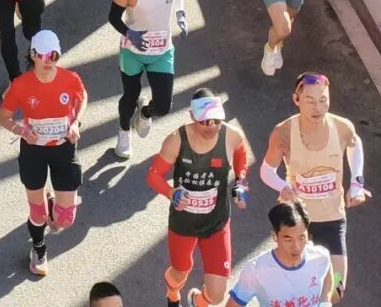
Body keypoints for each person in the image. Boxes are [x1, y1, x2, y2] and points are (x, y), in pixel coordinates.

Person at [259, 71, 368, 302]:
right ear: (296, 99)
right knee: (296, 290)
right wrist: (282, 186)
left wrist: (356, 182)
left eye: (323, 100)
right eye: (310, 101)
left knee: (336, 289)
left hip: (332, 219)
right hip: (296, 222)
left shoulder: (342, 127)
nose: (318, 107)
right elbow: (266, 171)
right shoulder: (283, 132)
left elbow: (355, 144)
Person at [147, 89, 251, 307]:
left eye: (217, 120)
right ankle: (173, 292)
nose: (212, 126)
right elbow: (154, 175)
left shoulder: (231, 136)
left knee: (217, 295)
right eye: (205, 121)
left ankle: (197, 300)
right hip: (184, 223)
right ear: (192, 116)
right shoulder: (176, 140)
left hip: (216, 223)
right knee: (180, 271)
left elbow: (241, 154)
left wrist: (240, 181)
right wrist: (171, 193)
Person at [0, 28, 87, 278]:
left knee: (64, 219)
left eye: (54, 56)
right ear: (33, 55)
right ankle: (38, 249)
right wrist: (22, 131)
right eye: (44, 56)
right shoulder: (20, 85)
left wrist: (75, 123)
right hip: (34, 153)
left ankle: (52, 202)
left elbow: (82, 97)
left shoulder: (70, 79)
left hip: (64, 150)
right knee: (38, 214)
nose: (49, 61)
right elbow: (3, 117)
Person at [109, 0, 188, 161]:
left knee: (163, 106)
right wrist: (129, 33)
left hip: (162, 51)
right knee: (130, 96)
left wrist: (181, 13)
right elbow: (113, 17)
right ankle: (124, 132)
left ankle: (144, 113)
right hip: (133, 51)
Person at [226, 199, 333, 307]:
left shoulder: (321, 257)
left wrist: (325, 302)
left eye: (301, 237)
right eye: (288, 239)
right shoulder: (256, 270)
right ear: (274, 236)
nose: (296, 246)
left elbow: (327, 275)